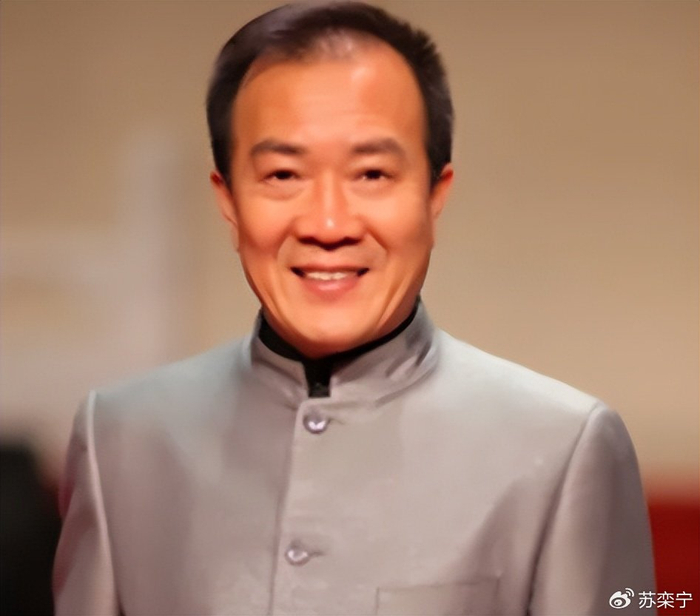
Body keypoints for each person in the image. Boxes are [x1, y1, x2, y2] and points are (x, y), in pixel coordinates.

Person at [53, 2, 655, 614]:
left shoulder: (565, 449)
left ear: (435, 196)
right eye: (283, 175)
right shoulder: (120, 440)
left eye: (371, 174)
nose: (329, 224)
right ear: (228, 201)